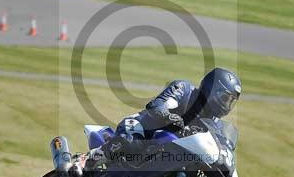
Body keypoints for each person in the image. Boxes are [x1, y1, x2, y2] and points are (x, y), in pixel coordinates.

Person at [98, 67, 241, 165]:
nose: (226, 104)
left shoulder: (213, 123)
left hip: (167, 152)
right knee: (130, 142)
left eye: (231, 101)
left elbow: (218, 144)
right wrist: (168, 117)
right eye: (225, 98)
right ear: (212, 89)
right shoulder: (184, 90)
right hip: (143, 128)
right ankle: (88, 161)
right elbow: (156, 106)